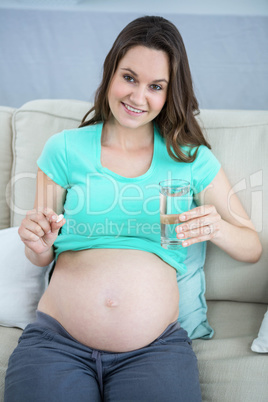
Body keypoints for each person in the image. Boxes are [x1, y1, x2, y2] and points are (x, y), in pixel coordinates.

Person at [4, 15, 262, 402]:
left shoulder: (190, 159)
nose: (138, 97)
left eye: (155, 86)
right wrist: (37, 244)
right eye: (129, 78)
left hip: (154, 350)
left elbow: (252, 247)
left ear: (169, 92)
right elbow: (42, 252)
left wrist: (217, 228)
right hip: (57, 343)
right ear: (110, 74)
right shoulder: (64, 149)